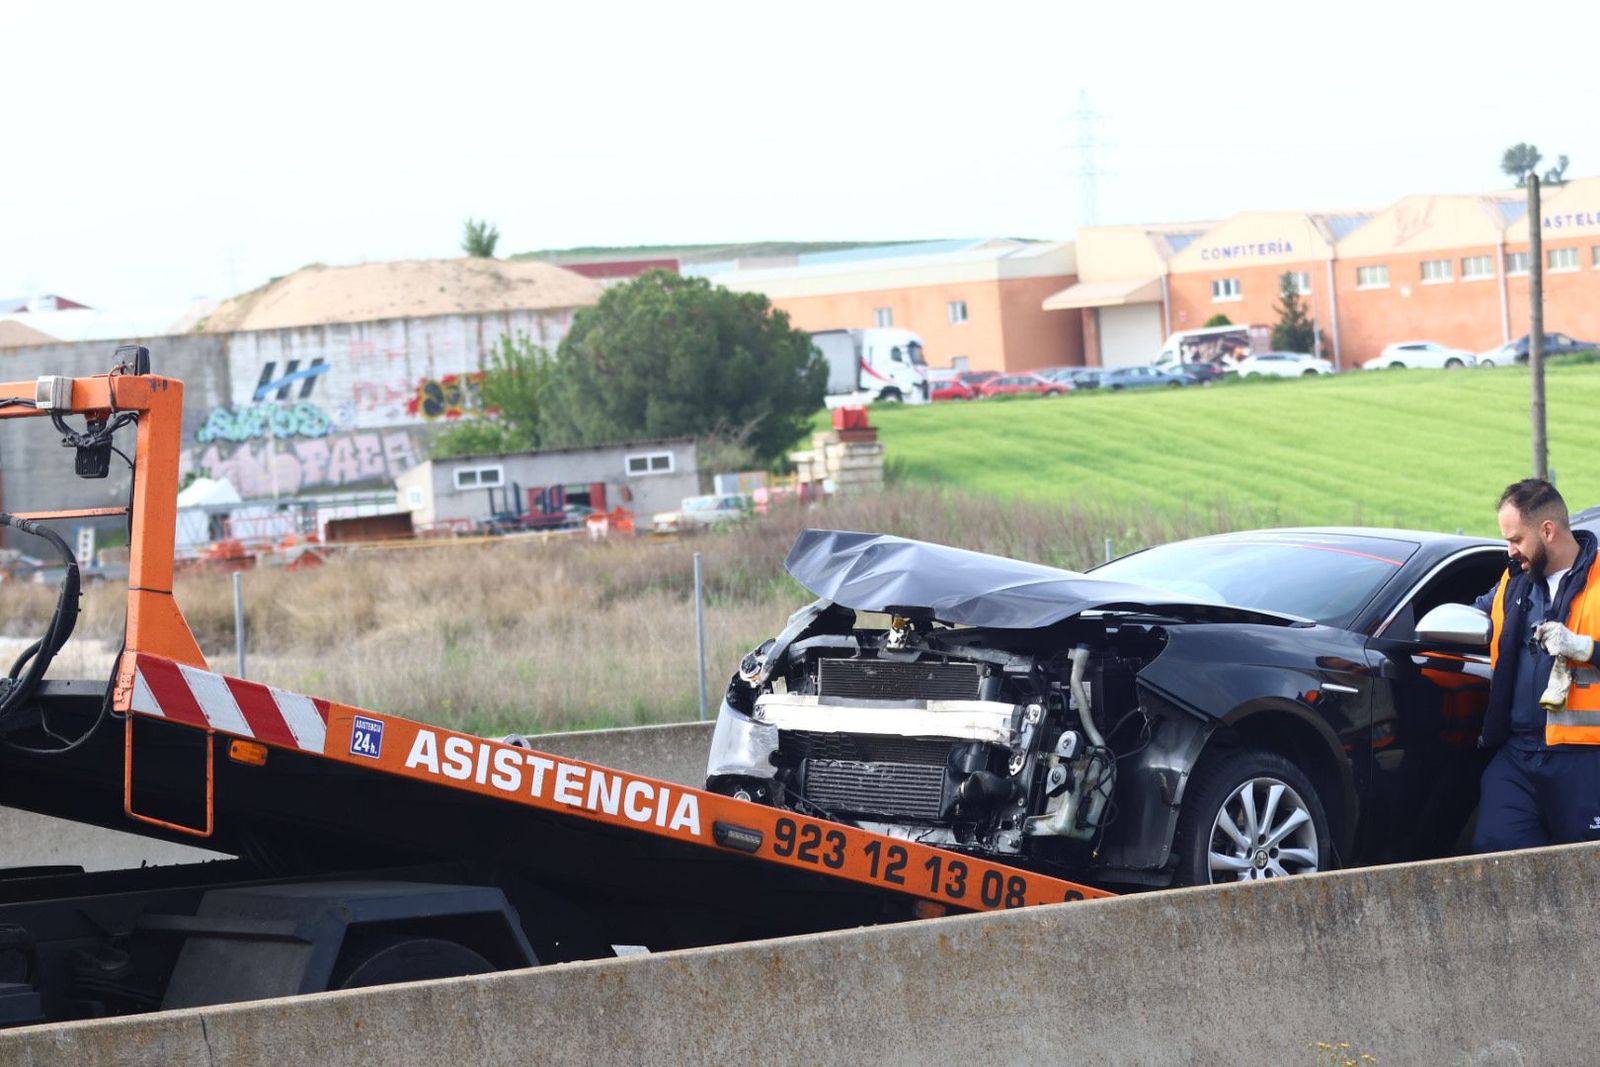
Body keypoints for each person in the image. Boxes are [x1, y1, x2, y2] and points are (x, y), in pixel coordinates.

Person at [1472, 478, 1600, 852]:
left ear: (1547, 530)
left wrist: (1586, 648)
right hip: (1518, 755)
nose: (1510, 551)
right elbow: (1474, 613)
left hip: (1586, 758)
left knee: (1585, 875)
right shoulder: (1514, 584)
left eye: (1516, 539)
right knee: (1496, 856)